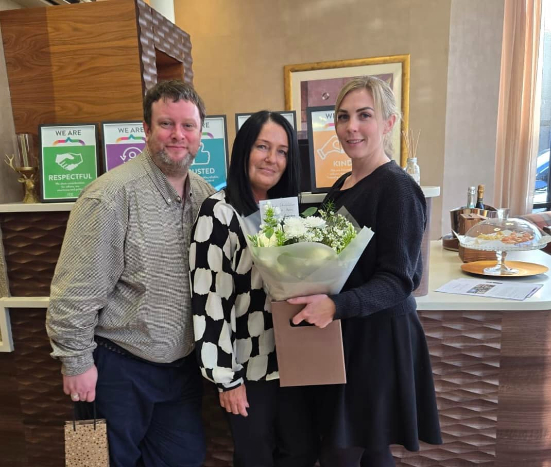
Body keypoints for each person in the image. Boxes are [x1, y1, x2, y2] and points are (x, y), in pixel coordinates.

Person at [46, 80, 215, 467]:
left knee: (184, 460)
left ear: (200, 134)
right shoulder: (108, 195)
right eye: (166, 124)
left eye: (188, 126)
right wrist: (75, 363)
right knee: (96, 463)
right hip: (115, 369)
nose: (178, 135)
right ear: (146, 129)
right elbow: (74, 292)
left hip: (181, 372)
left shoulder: (207, 197)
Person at [289, 76, 442, 467]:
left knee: (342, 452)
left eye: (364, 115)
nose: (351, 126)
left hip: (378, 341)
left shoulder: (398, 188)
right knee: (369, 449)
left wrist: (336, 306)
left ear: (389, 123)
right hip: (349, 335)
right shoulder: (343, 183)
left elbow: (399, 280)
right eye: (343, 117)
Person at [190, 111, 316, 467]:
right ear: (244, 150)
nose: (272, 159)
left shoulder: (286, 211)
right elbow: (209, 300)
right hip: (248, 369)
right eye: (263, 146)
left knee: (301, 453)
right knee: (255, 458)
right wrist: (226, 379)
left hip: (293, 363)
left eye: (282, 151)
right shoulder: (218, 213)